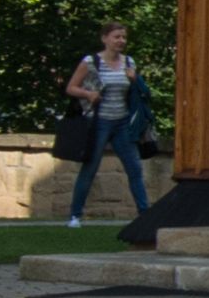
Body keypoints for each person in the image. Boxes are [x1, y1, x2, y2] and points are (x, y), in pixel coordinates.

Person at [63, 23, 151, 225]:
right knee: (90, 168)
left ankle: (144, 215)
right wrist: (88, 94)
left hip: (123, 123)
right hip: (98, 122)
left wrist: (135, 79)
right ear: (104, 38)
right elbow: (71, 88)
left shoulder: (129, 62)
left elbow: (143, 92)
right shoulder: (91, 62)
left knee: (134, 168)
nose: (121, 41)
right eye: (116, 37)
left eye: (123, 37)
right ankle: (75, 215)